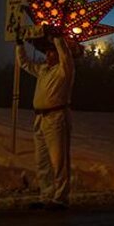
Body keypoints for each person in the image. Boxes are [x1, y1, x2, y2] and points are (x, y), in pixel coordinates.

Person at [17, 26, 76, 210]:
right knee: (42, 160)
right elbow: (25, 63)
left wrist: (58, 39)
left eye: (52, 52)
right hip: (40, 118)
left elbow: (66, 55)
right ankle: (46, 195)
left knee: (58, 160)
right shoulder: (43, 70)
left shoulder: (64, 71)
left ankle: (60, 198)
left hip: (57, 116)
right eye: (47, 52)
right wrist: (19, 44)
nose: (49, 55)